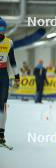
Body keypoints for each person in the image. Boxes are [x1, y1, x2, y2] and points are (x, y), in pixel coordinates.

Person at [0, 17, 20, 145]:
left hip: (3, 74)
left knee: (2, 104)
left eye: (3, 28)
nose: (2, 31)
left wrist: (17, 76)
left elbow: (12, 61)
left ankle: (1, 133)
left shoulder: (9, 42)